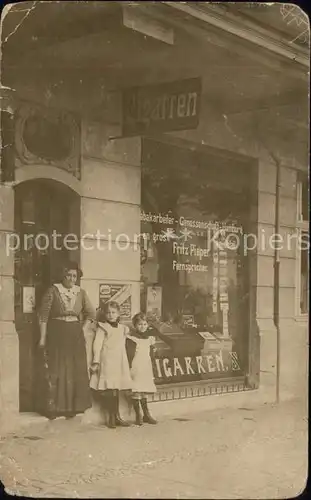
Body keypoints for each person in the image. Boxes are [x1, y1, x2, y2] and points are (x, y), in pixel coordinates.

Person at [37, 261, 95, 420]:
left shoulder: (81, 293)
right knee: (57, 369)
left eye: (74, 276)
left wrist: (82, 329)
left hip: (75, 335)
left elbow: (91, 314)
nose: (71, 278)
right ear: (63, 275)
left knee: (73, 370)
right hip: (57, 333)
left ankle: (72, 407)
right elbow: (43, 316)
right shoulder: (53, 291)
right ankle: (54, 408)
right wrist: (42, 337)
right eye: (69, 275)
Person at [89, 301, 132, 429]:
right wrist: (96, 361)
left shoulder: (123, 328)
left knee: (116, 388)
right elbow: (97, 345)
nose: (111, 315)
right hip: (107, 360)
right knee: (109, 389)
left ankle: (117, 416)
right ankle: (111, 417)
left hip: (119, 361)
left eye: (113, 312)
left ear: (118, 314)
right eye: (108, 313)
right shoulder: (103, 328)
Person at [126, 313, 157, 426]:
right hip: (136, 366)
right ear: (135, 325)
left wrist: (153, 366)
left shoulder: (149, 339)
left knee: (143, 390)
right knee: (136, 389)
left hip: (146, 366)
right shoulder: (131, 338)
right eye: (139, 324)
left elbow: (151, 354)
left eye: (144, 324)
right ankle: (138, 414)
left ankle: (146, 414)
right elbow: (129, 354)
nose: (142, 326)